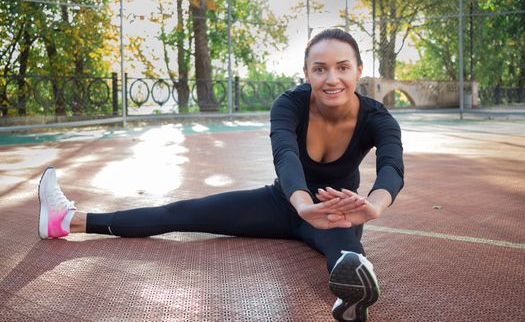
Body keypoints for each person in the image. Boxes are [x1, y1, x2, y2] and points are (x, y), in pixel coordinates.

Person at [37, 28, 404, 322]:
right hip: (280, 203)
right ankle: (67, 220)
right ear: (306, 73)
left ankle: (350, 298)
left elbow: (392, 166)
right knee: (180, 213)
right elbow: (285, 155)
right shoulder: (289, 104)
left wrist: (372, 206)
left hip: (333, 211)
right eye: (320, 68)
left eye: (342, 67)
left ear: (358, 70)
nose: (331, 78)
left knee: (348, 255)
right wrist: (301, 203)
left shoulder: (377, 118)